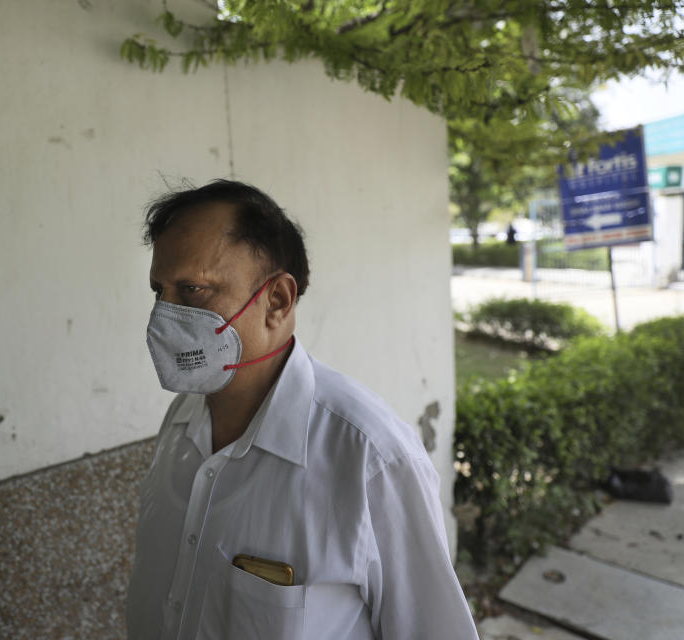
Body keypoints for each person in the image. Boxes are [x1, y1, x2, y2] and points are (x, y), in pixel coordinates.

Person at [126, 180, 479, 639]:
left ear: (277, 301)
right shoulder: (180, 421)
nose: (164, 316)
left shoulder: (371, 458)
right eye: (160, 291)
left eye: (193, 290)